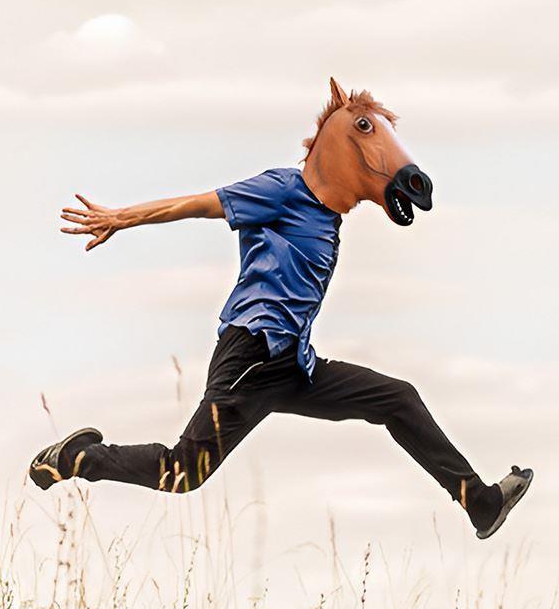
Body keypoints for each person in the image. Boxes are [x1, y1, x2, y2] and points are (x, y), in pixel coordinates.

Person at [30, 79, 532, 539]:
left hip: (295, 365)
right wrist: (121, 217)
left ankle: (480, 503)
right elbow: (199, 204)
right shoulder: (282, 190)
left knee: (396, 398)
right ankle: (78, 460)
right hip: (251, 355)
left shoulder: (326, 217)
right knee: (183, 472)